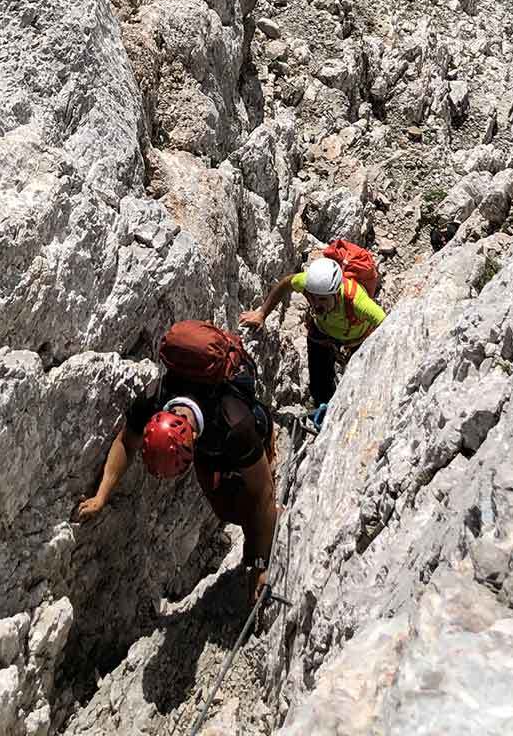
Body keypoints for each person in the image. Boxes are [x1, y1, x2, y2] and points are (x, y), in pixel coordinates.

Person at [74, 322, 278, 607]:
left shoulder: (235, 424)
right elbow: (126, 441)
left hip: (244, 437)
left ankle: (257, 543)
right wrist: (101, 495)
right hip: (209, 451)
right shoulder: (156, 397)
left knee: (252, 506)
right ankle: (248, 527)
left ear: (191, 437)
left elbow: (263, 492)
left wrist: (261, 565)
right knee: (225, 508)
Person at [239, 255, 386, 407]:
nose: (316, 305)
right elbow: (285, 284)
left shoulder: (357, 301)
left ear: (336, 293)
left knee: (359, 382)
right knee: (319, 380)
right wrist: (262, 313)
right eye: (312, 298)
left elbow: (387, 323)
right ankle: (322, 405)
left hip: (357, 339)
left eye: (322, 299)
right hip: (323, 332)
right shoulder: (307, 284)